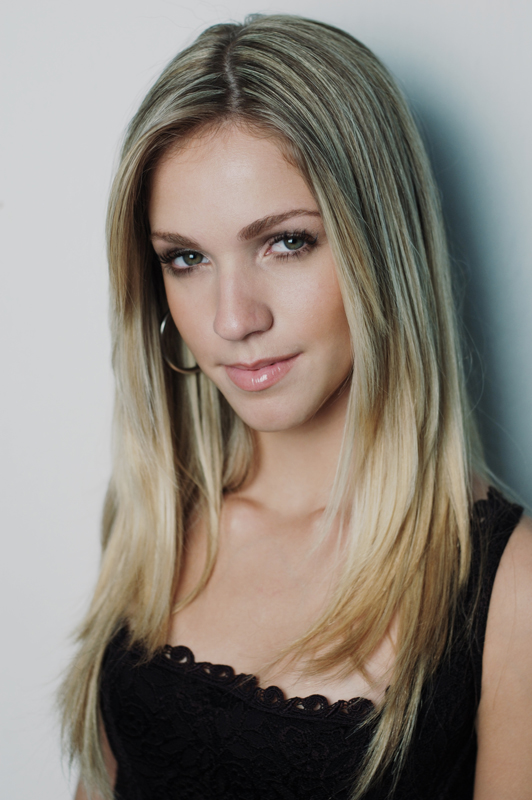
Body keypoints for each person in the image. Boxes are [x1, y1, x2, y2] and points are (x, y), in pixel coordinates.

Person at [60, 13, 532, 800]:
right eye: (186, 258)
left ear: (380, 249)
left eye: (286, 242)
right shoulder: (155, 516)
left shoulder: (509, 591)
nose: (233, 318)